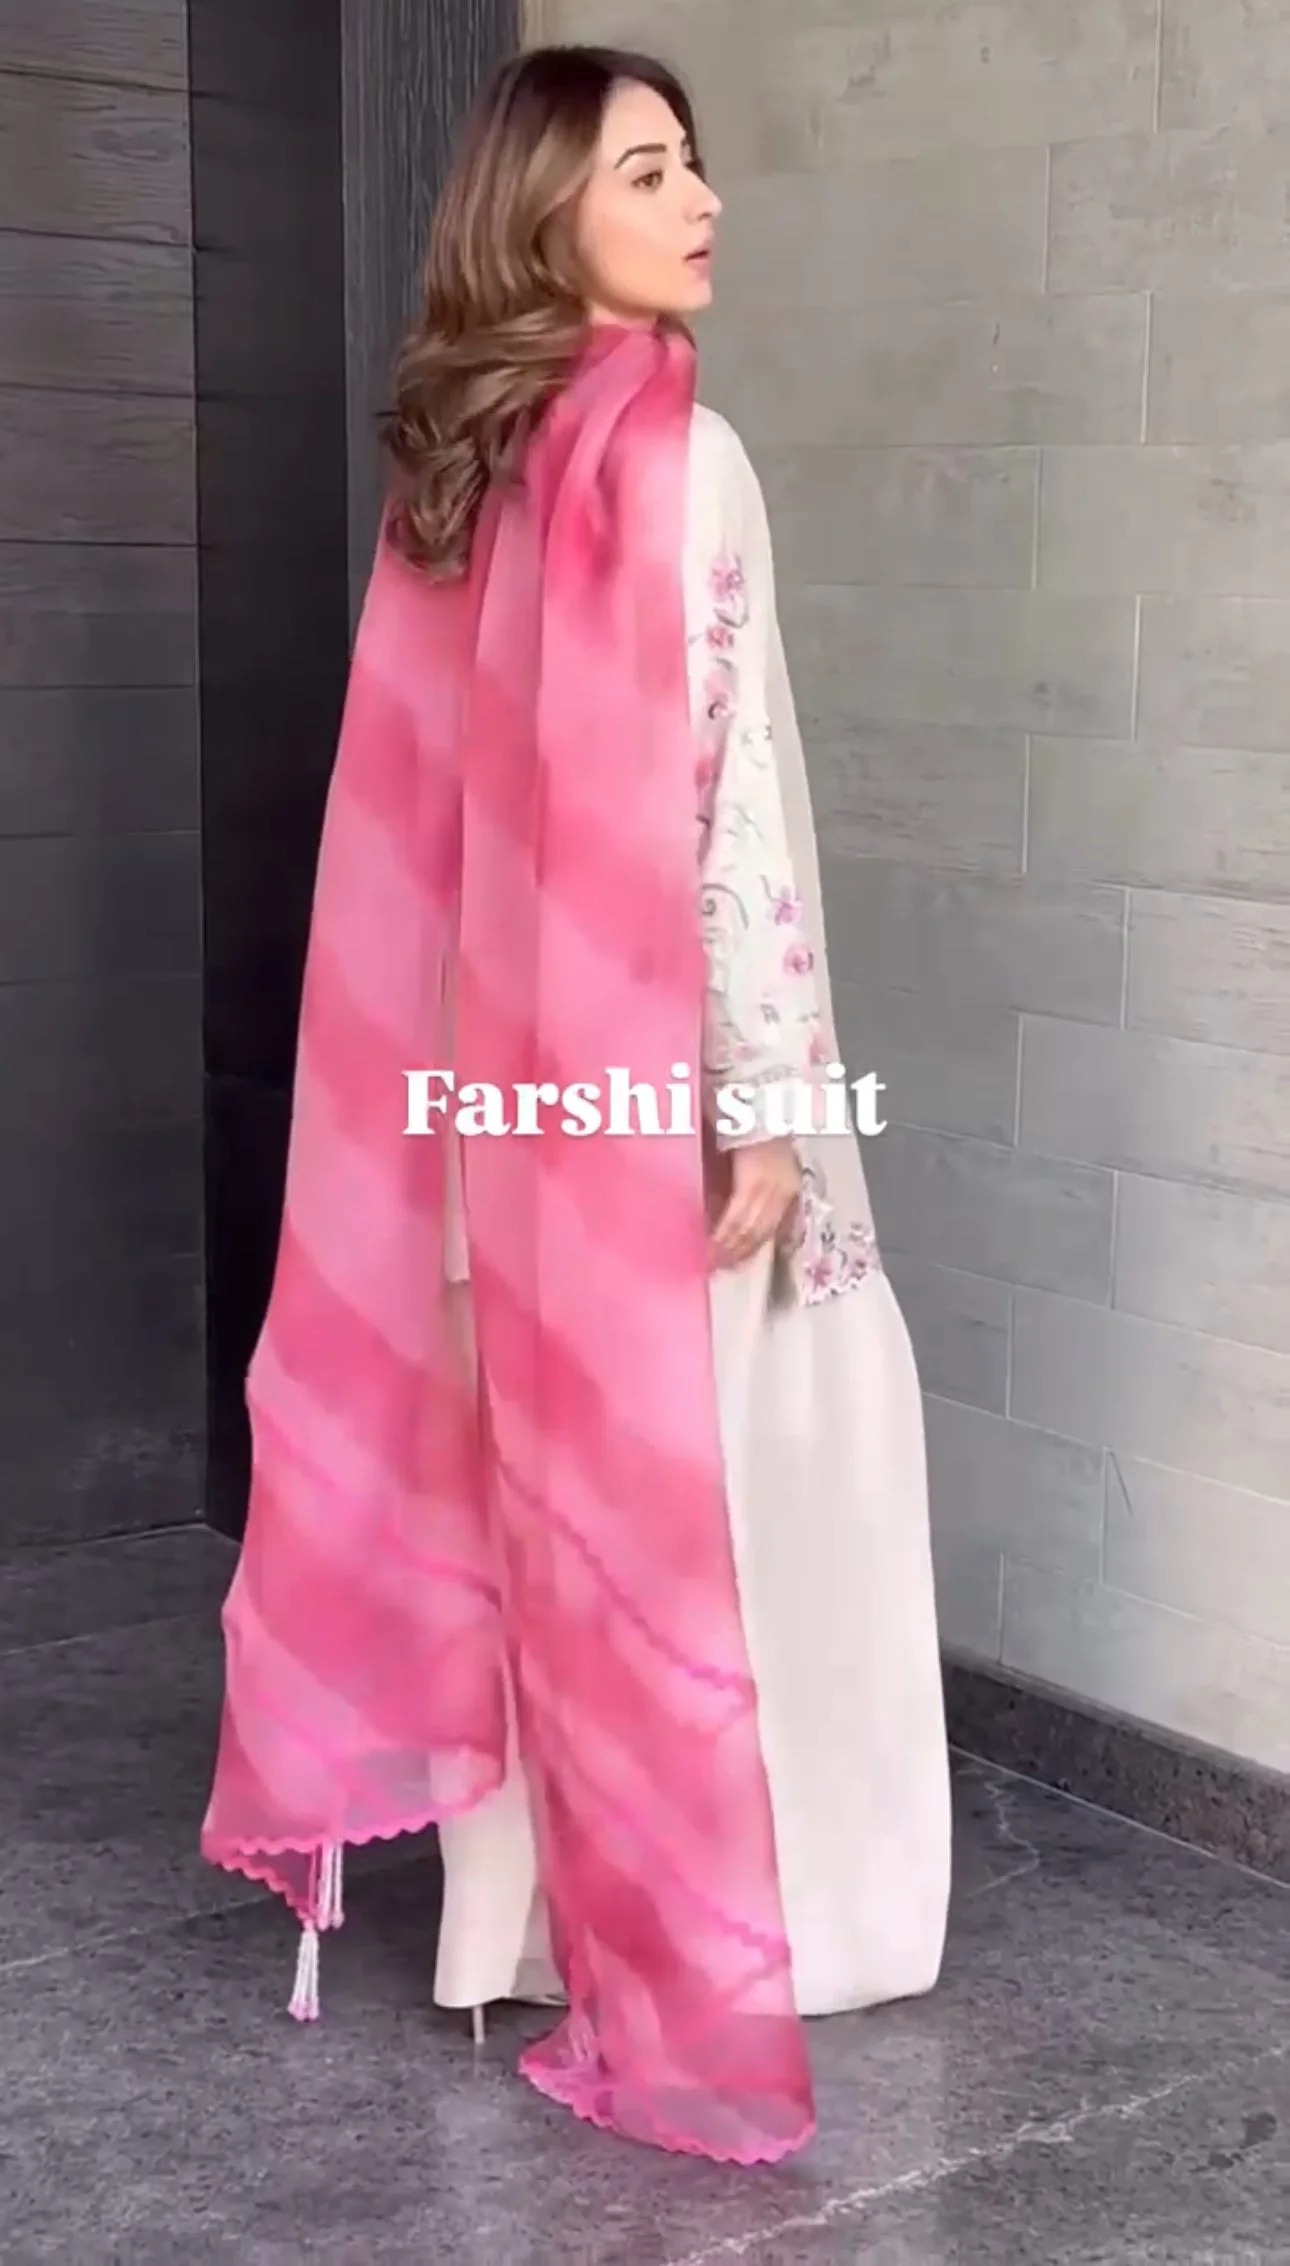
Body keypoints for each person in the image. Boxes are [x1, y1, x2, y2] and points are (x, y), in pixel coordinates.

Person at [201, 43, 951, 2166]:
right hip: (662, 1103)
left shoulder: (460, 472)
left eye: (695, 161)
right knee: (747, 1480)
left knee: (544, 1508)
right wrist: (769, 1105)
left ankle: (517, 1926)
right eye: (646, 170)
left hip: (483, 1114)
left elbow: (405, 855)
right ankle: (753, 1922)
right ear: (546, 217)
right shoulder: (683, 457)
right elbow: (728, 818)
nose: (701, 197)